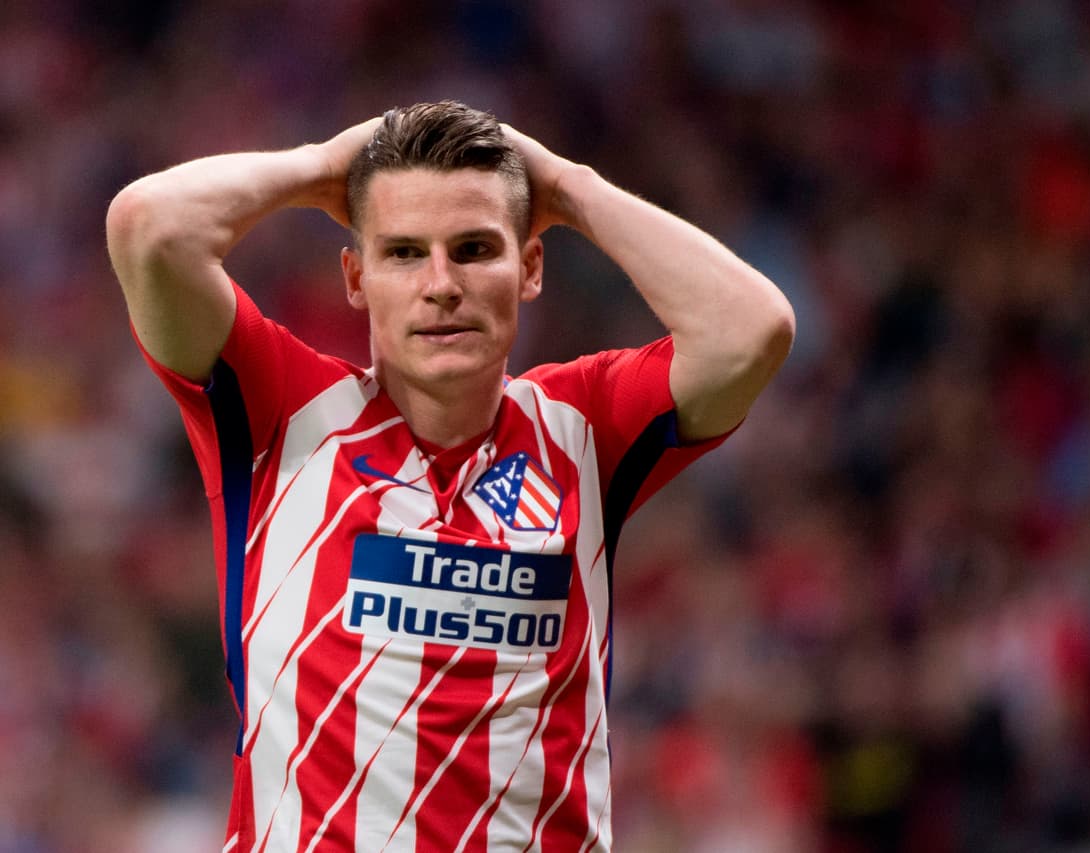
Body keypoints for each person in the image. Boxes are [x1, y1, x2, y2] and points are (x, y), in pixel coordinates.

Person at [105, 100, 794, 851]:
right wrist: (324, 167)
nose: (441, 284)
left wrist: (565, 187)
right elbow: (149, 227)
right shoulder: (282, 413)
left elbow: (750, 331)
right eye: (402, 252)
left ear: (529, 267)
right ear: (355, 275)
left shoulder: (583, 427)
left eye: (473, 248)